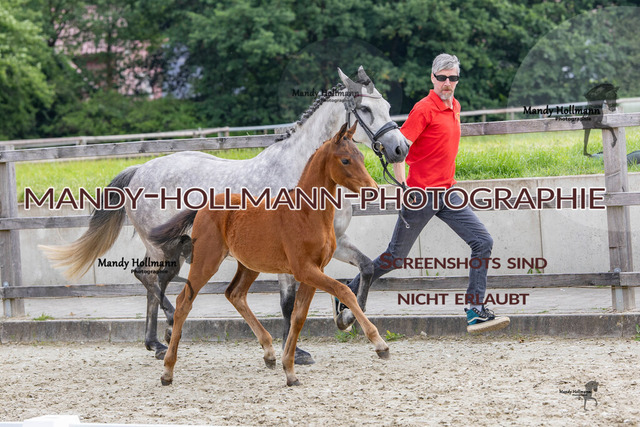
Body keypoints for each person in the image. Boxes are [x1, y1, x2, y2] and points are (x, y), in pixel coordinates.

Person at [334, 53, 510, 333]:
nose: (447, 83)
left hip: (448, 194)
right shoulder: (424, 109)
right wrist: (404, 188)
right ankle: (348, 291)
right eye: (442, 78)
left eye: (452, 77)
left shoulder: (455, 106)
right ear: (433, 78)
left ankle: (475, 310)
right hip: (420, 195)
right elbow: (399, 149)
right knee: (395, 257)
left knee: (482, 241)